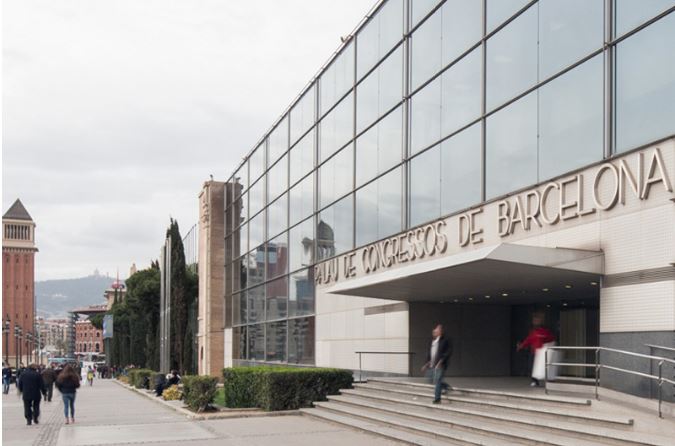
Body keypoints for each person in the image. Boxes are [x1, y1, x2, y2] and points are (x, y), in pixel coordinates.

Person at [517, 314, 556, 387]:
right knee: (531, 367)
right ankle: (534, 381)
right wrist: (521, 346)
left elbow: (551, 340)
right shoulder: (533, 331)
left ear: (541, 321)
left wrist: (550, 348)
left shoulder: (545, 331)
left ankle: (548, 380)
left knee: (544, 367)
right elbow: (528, 340)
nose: (535, 322)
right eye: (534, 320)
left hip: (542, 353)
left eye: (537, 320)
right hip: (533, 352)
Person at [421, 324, 453, 404]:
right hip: (432, 364)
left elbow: (448, 352)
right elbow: (430, 353)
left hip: (440, 364)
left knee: (438, 381)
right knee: (430, 379)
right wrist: (426, 364)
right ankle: (446, 386)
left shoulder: (445, 340)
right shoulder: (432, 341)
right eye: (434, 331)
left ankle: (437, 399)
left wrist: (441, 361)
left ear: (440, 332)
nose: (434, 332)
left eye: (436, 331)